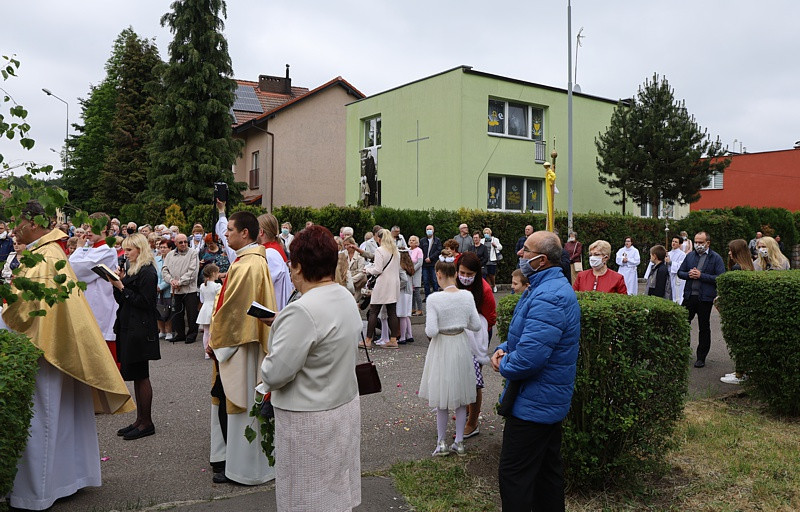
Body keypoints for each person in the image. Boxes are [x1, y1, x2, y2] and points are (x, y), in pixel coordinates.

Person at [3, 201, 133, 510]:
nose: (13, 229)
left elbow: (24, 310)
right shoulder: (50, 253)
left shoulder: (45, 257)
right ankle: (71, 478)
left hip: (45, 351)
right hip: (55, 345)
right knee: (64, 416)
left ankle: (39, 491)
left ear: (33, 223)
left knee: (44, 417)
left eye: (17, 223)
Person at [259, 225, 362, 511]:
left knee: (306, 497)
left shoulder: (301, 309)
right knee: (336, 492)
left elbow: (274, 373)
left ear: (299, 267)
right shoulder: (344, 297)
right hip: (343, 407)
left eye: (293, 265)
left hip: (309, 421)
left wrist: (278, 331)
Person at [491, 230, 580, 510]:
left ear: (541, 260)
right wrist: (505, 346)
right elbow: (528, 334)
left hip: (534, 406)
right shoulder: (543, 287)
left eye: (526, 250)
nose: (520, 253)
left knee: (515, 475)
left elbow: (530, 358)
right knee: (545, 473)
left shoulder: (549, 296)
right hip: (543, 401)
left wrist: (503, 363)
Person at [207, 209, 277, 486]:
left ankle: (242, 467)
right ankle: (230, 460)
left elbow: (234, 311)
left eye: (230, 230)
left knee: (238, 402)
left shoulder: (248, 265)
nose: (225, 234)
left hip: (240, 346)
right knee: (231, 400)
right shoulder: (248, 261)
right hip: (240, 343)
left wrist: (216, 342)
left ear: (245, 233)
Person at [420, 248, 482, 456]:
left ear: (438, 274)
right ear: (455, 273)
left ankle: (441, 443)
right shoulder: (467, 296)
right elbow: (475, 325)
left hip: (443, 346)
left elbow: (430, 330)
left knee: (442, 397)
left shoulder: (434, 299)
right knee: (461, 396)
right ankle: (460, 442)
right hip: (461, 345)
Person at [111, 233, 161, 441]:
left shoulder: (148, 271)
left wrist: (122, 286)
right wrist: (118, 282)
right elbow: (121, 299)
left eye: (129, 250)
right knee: (136, 374)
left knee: (141, 375)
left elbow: (145, 302)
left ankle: (146, 422)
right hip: (129, 325)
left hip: (140, 329)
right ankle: (140, 420)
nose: (126, 253)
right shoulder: (134, 269)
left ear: (140, 250)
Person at [68, 213, 120, 365]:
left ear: (104, 228)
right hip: (88, 302)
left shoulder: (107, 249)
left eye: (92, 227)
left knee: (103, 356)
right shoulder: (89, 248)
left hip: (102, 306)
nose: (88, 231)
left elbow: (76, 270)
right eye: (87, 227)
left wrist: (78, 249)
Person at [455, 251, 497, 439]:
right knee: (460, 376)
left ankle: (473, 422)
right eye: (461, 273)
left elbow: (491, 318)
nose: (464, 277)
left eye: (469, 274)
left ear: (477, 274)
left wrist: (477, 335)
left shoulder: (485, 290)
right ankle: (465, 413)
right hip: (458, 334)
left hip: (478, 336)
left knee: (474, 380)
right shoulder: (454, 284)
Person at [677, 231, 725, 368]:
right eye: (696, 242)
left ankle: (701, 357)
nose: (698, 245)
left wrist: (701, 275)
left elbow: (720, 277)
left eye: (701, 243)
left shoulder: (715, 258)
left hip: (705, 298)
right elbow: (680, 272)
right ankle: (683, 352)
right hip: (689, 296)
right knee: (683, 324)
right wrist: (688, 274)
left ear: (707, 243)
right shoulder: (690, 256)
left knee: (704, 327)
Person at [720, 239, 754, 385]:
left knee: (738, 343)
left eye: (731, 250)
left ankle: (740, 374)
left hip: (738, 313)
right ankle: (741, 371)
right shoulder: (748, 267)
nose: (728, 253)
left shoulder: (737, 269)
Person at [362, 228, 400, 349]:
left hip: (383, 283)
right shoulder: (396, 251)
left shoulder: (380, 250)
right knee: (392, 311)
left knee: (374, 310)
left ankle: (368, 340)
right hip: (394, 282)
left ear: (379, 238)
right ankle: (393, 339)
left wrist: (367, 270)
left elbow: (377, 269)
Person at [162, 233, 199, 344]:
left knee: (192, 314)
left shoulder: (193, 253)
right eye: (181, 242)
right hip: (175, 289)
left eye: (185, 242)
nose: (183, 244)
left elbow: (193, 272)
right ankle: (180, 334)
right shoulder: (170, 255)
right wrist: (171, 281)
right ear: (175, 243)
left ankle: (192, 334)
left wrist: (180, 282)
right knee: (176, 313)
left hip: (189, 289)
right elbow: (164, 270)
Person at [256, 212, 294, 309]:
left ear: (261, 232)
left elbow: (260, 286)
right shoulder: (274, 249)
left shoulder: (269, 254)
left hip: (273, 307)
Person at [197, 264, 222, 359]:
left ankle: (206, 352)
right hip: (213, 308)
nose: (218, 274)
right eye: (217, 272)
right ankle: (212, 349)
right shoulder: (217, 286)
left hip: (205, 308)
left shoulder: (203, 286)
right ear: (213, 273)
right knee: (213, 331)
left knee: (206, 331)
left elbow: (202, 300)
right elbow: (219, 298)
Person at [155, 240, 175, 340]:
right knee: (158, 310)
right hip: (156, 290)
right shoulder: (156, 259)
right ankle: (161, 330)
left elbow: (171, 276)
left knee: (168, 311)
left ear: (170, 248)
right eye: (161, 247)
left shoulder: (173, 260)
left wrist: (161, 287)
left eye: (164, 247)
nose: (162, 249)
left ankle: (169, 331)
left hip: (168, 289)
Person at [419, 224, 442, 299]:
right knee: (425, 281)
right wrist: (425, 258)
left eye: (430, 229)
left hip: (433, 263)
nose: (429, 230)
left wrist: (431, 258)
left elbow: (439, 250)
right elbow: (420, 250)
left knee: (434, 281)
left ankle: (436, 296)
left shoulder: (437, 240)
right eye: (427, 229)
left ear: (433, 230)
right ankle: (427, 297)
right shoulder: (422, 240)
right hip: (425, 264)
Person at [397, 249, 415, 344]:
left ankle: (402, 337)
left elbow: (404, 280)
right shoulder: (410, 266)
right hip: (409, 292)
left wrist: (397, 287)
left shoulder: (401, 267)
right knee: (406, 315)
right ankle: (410, 335)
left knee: (402, 315)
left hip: (403, 292)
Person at [344, 236, 367, 302]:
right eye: (344, 245)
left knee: (353, 302)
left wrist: (350, 281)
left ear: (353, 244)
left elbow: (362, 272)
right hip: (346, 283)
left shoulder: (360, 256)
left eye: (348, 245)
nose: (346, 247)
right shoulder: (343, 254)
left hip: (357, 285)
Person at [667, 236, 687, 304]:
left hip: (677, 278)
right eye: (673, 241)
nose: (673, 243)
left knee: (677, 294)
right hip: (669, 276)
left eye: (676, 242)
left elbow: (681, 266)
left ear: (680, 244)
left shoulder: (682, 254)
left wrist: (671, 262)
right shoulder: (668, 253)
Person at [482, 227, 502, 293]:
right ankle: (489, 286)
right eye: (485, 233)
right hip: (485, 259)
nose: (486, 234)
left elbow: (500, 247)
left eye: (487, 233)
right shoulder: (482, 240)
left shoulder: (495, 239)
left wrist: (495, 245)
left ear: (490, 233)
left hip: (492, 259)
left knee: (492, 274)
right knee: (486, 273)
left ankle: (494, 285)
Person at [408, 235, 424, 315]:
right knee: (411, 292)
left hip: (416, 273)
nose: (411, 241)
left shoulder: (419, 250)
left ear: (417, 242)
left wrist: (413, 269)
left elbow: (420, 263)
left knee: (417, 291)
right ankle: (413, 308)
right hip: (409, 273)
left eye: (413, 240)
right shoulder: (407, 250)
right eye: (410, 240)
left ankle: (420, 309)